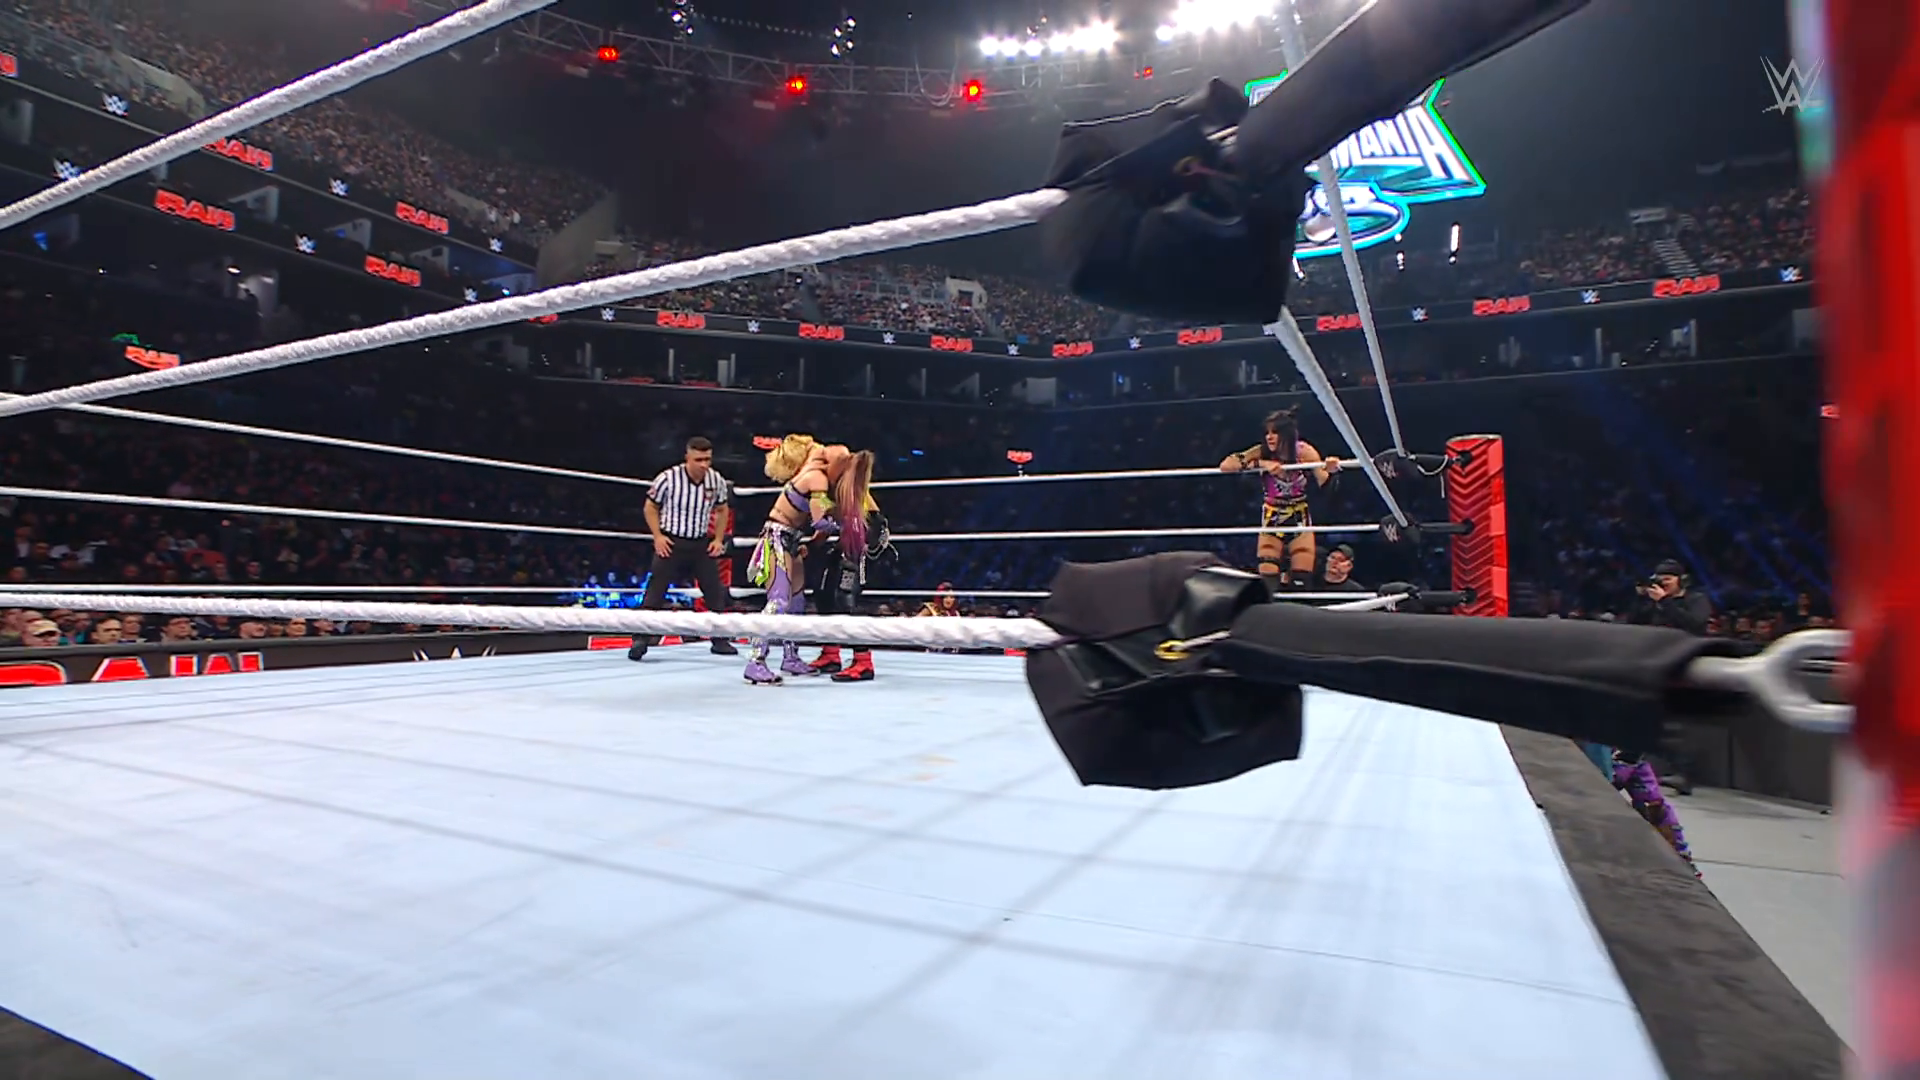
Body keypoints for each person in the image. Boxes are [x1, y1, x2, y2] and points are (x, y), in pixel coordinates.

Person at [743, 434, 876, 686]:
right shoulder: (817, 477)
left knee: (797, 601)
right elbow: (820, 521)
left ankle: (790, 657)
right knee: (778, 601)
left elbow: (819, 520)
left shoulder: (816, 475)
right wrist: (848, 525)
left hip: (792, 540)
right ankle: (755, 661)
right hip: (776, 538)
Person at [630, 436, 738, 661]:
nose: (703, 465)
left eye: (707, 459)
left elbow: (722, 509)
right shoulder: (668, 478)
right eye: (698, 459)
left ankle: (719, 640)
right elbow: (650, 507)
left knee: (715, 592)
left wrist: (718, 539)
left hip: (700, 543)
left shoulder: (715, 480)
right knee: (655, 592)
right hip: (672, 542)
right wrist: (658, 536)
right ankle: (640, 639)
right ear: (687, 457)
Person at [1218, 408, 1342, 594]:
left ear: (1287, 434)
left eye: (1275, 432)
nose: (1269, 437)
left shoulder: (1304, 452)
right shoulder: (1261, 452)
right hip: (1272, 515)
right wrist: (1263, 463)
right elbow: (1226, 465)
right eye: (1267, 432)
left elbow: (1325, 485)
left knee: (1301, 581)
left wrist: (1331, 471)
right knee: (1267, 582)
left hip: (1299, 516)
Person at [803, 489, 893, 683]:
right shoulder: (826, 486)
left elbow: (873, 519)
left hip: (864, 536)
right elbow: (828, 520)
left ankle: (863, 661)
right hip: (847, 537)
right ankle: (831, 653)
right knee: (823, 591)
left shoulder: (848, 482)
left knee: (845, 597)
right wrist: (811, 545)